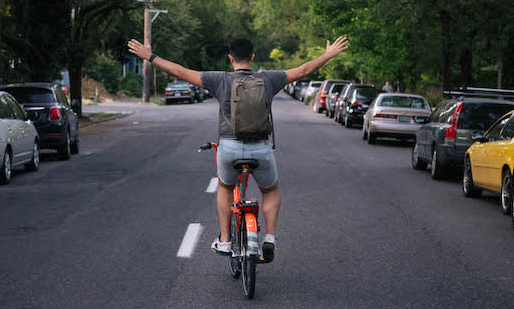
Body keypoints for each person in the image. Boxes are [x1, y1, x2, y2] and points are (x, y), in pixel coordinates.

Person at [127, 34, 348, 262]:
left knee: (224, 187)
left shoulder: (220, 79)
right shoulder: (269, 79)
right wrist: (328, 55)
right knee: (270, 191)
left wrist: (150, 56)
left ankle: (224, 240)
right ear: (252, 57)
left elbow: (180, 72)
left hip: (229, 148)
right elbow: (303, 70)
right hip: (261, 148)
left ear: (230, 58)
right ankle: (270, 238)